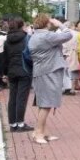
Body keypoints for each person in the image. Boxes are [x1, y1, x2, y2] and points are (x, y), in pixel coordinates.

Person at [27, 14, 73, 144]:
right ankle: (38, 133)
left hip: (42, 72)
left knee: (43, 103)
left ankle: (43, 132)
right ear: (46, 23)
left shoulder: (35, 35)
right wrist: (60, 24)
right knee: (47, 104)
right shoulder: (46, 36)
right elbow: (68, 34)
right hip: (48, 72)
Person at [4, 17, 33, 131]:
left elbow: (5, 58)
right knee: (22, 97)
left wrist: (5, 73)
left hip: (12, 70)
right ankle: (20, 123)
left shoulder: (7, 40)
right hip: (24, 69)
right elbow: (30, 54)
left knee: (12, 97)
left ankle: (12, 124)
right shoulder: (26, 38)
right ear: (22, 26)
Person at [62, 21, 80, 95]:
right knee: (74, 71)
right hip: (75, 53)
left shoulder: (63, 34)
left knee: (66, 72)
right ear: (72, 26)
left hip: (66, 54)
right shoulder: (77, 34)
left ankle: (68, 87)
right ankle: (73, 88)